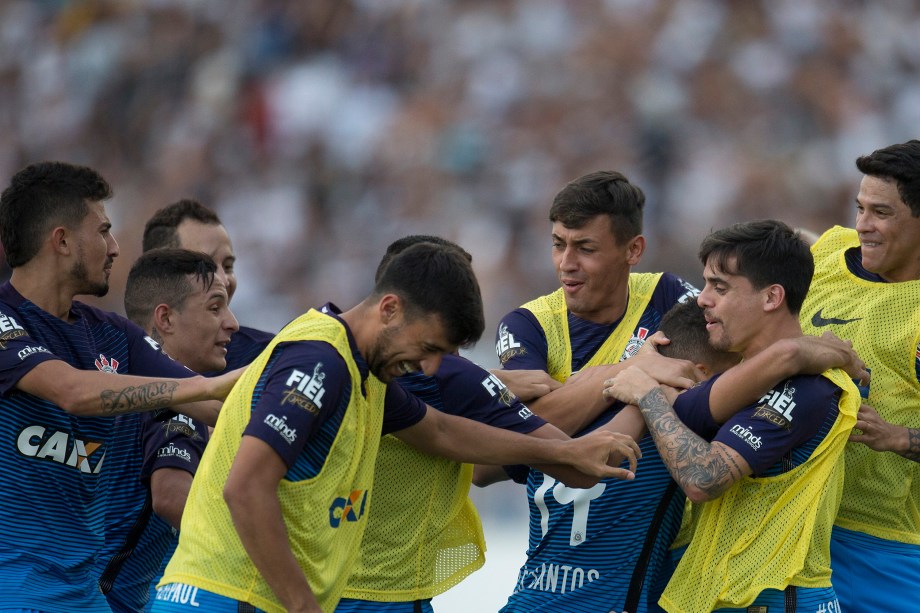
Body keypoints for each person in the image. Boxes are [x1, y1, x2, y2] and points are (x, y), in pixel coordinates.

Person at [152, 241, 640, 613]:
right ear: (390, 309)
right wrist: (303, 608)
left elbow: (442, 432)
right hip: (227, 595)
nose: (429, 370)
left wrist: (565, 454)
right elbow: (245, 488)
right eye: (428, 348)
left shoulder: (363, 370)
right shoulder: (319, 362)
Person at [335, 235, 639, 613]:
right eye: (437, 346)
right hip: (383, 596)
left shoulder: (331, 350)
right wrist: (634, 378)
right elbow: (576, 468)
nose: (439, 361)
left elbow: (444, 434)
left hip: (324, 582)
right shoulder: (448, 376)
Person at [0, 161, 238, 612]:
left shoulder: (113, 335)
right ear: (62, 240)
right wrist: (199, 391)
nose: (114, 247)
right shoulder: (4, 320)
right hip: (12, 588)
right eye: (104, 230)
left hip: (88, 598)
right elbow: (73, 392)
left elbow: (217, 403)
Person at [605, 219, 862, 612]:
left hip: (776, 600)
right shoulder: (746, 376)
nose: (702, 299)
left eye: (719, 287)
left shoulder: (808, 387)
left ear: (772, 297)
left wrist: (648, 396)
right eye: (705, 284)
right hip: (724, 598)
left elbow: (703, 478)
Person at [483, 170, 703, 612]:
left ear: (632, 251)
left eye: (585, 248)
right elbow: (522, 438)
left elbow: (701, 381)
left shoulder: (673, 298)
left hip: (673, 560)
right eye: (558, 243)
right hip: (560, 565)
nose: (566, 263)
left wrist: (576, 392)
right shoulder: (528, 325)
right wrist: (632, 371)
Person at [798, 139, 920, 612]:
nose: (862, 225)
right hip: (794, 521)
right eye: (860, 208)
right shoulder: (829, 251)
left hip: (880, 548)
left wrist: (899, 437)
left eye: (881, 214)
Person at [97, 249, 239, 611]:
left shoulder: (118, 384)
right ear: (166, 318)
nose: (232, 322)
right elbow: (173, 497)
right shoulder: (177, 401)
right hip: (109, 602)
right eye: (214, 308)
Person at [142, 198, 274, 373]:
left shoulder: (266, 358)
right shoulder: (116, 359)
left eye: (228, 267)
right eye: (205, 267)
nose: (224, 280)